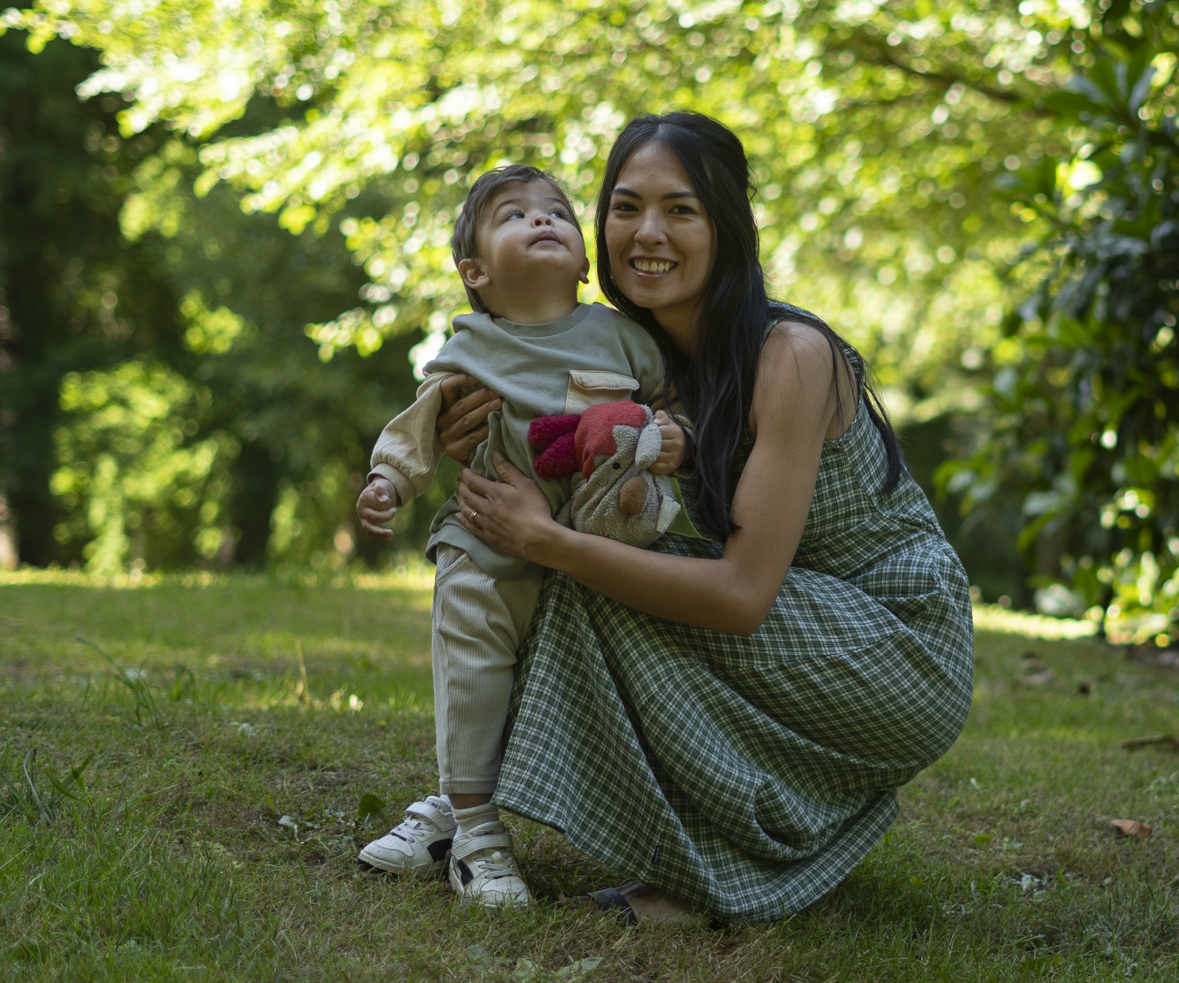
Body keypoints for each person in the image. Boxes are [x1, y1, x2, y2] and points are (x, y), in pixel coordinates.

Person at [447, 112, 974, 924]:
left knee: (585, 573)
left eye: (680, 209)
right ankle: (463, 801)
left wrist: (547, 541)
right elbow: (558, 458)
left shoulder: (788, 354)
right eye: (625, 208)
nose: (647, 232)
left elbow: (738, 597)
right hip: (804, 618)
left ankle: (702, 874)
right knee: (572, 567)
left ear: (727, 224)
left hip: (896, 644)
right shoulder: (634, 354)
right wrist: (470, 435)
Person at [354, 163, 684, 908]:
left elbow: (670, 408)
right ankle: (478, 837)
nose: (542, 221)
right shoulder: (470, 345)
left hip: (590, 562)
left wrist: (666, 440)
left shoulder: (623, 338)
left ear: (583, 257)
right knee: (473, 683)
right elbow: (421, 425)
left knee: (539, 696)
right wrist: (388, 480)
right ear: (475, 271)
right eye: (514, 216)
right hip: (484, 552)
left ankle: (448, 810)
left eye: (556, 213)